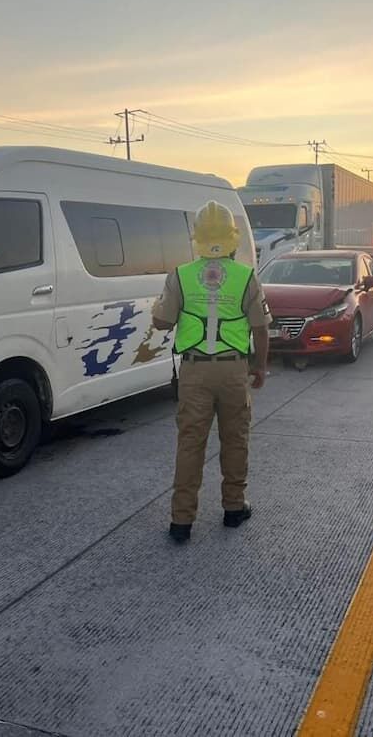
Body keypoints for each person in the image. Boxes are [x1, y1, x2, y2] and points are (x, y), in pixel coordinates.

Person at [152, 201, 271, 544]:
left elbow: (162, 323)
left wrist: (159, 307)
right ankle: (233, 508)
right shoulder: (246, 276)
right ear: (233, 239)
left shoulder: (180, 275)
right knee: (235, 440)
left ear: (198, 239)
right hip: (233, 371)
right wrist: (260, 367)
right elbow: (261, 328)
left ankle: (181, 521)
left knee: (190, 444)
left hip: (195, 372)